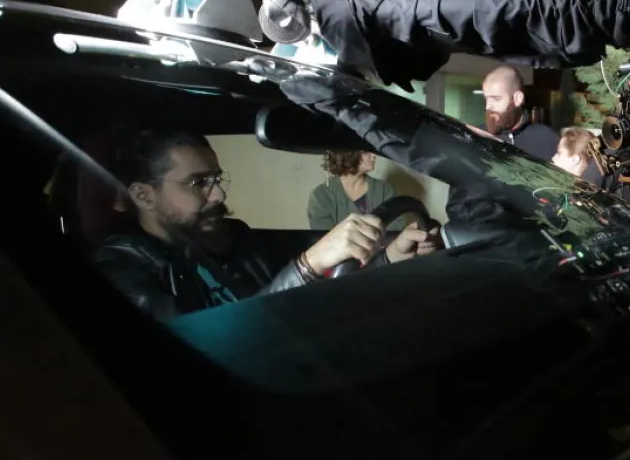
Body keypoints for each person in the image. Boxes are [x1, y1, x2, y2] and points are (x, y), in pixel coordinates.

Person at [94, 127, 436, 320]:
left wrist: (389, 257)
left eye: (216, 179)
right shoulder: (122, 269)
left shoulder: (232, 239)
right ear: (144, 196)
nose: (218, 195)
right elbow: (201, 353)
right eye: (198, 183)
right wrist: (308, 265)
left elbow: (307, 298)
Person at [480, 64, 560, 161]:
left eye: (496, 99)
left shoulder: (546, 139)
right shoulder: (477, 135)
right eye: (486, 99)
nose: (488, 106)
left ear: (518, 99)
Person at [307, 149, 395, 230]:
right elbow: (323, 237)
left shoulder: (384, 189)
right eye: (366, 152)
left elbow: (395, 226)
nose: (374, 155)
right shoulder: (321, 195)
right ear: (348, 154)